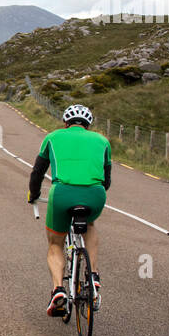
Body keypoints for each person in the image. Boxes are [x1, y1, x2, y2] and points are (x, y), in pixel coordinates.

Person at [26, 104, 111, 317]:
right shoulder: (102, 141)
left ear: (65, 123)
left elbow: (37, 173)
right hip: (96, 193)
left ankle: (58, 290)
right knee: (89, 224)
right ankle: (93, 275)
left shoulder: (52, 137)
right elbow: (107, 178)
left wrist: (33, 194)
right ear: (88, 126)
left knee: (55, 243)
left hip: (62, 193)